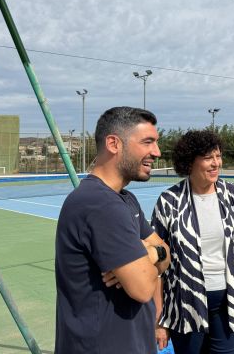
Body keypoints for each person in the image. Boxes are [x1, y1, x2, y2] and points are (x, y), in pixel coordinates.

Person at [55, 106, 171, 354]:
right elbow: (142, 288)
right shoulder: (99, 204)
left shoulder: (124, 199)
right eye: (148, 142)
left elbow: (165, 253)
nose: (157, 152)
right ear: (113, 144)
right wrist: (153, 255)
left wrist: (151, 254)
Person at [152, 129, 234, 354]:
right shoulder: (169, 202)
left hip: (230, 305)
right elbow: (157, 265)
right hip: (185, 308)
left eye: (218, 156)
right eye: (208, 157)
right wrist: (160, 317)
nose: (216, 163)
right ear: (190, 162)